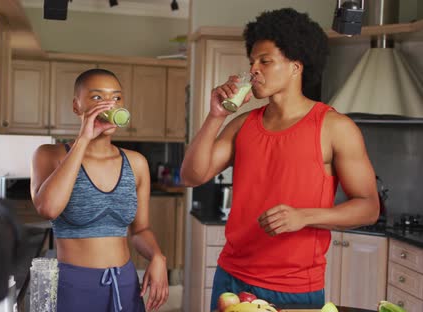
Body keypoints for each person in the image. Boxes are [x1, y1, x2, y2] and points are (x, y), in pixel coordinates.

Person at [180, 8, 380, 309]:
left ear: (296, 66)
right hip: (232, 277)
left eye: (265, 61)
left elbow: (368, 207)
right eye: (252, 62)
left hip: (295, 287)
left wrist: (305, 216)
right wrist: (215, 116)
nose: (254, 70)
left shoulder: (335, 128)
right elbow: (192, 176)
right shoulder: (242, 124)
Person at [30, 68, 169, 312]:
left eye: (116, 98)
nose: (109, 105)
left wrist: (158, 256)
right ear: (76, 106)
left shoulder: (136, 163)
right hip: (72, 287)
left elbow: (140, 230)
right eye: (97, 98)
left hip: (125, 284)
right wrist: (83, 139)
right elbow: (48, 209)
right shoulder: (49, 155)